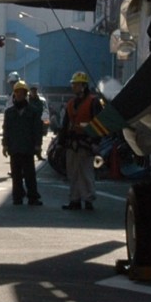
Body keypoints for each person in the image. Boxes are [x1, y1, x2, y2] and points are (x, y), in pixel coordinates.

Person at [59, 71, 104, 211]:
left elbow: (99, 123)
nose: (73, 87)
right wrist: (61, 142)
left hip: (86, 143)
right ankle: (75, 199)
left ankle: (88, 199)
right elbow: (65, 124)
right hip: (72, 143)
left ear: (83, 85)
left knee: (86, 172)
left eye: (76, 84)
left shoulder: (94, 102)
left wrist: (95, 142)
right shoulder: (71, 104)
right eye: (73, 84)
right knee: (72, 173)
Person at [0, 81, 43, 206]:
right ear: (14, 94)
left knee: (30, 174)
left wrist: (38, 145)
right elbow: (6, 129)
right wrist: (5, 145)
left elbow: (37, 130)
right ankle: (17, 197)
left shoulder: (33, 111)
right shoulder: (9, 112)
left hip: (28, 148)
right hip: (14, 148)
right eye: (17, 92)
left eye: (22, 93)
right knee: (16, 175)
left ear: (26, 94)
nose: (19, 95)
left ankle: (32, 197)